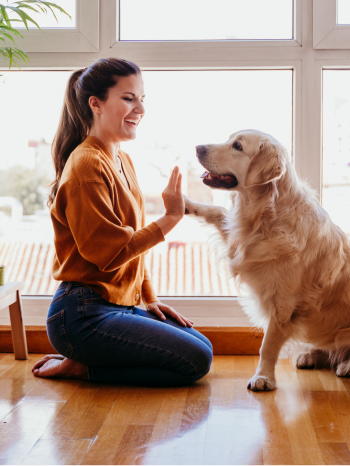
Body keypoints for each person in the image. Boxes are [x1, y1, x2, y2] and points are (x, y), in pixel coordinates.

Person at [31, 58, 213, 386]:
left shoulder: (121, 159)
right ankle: (82, 367)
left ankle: (85, 362)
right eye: (129, 98)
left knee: (202, 346)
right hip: (81, 314)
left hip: (118, 304)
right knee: (196, 361)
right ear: (96, 104)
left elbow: (131, 249)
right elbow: (110, 254)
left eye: (143, 99)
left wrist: (149, 297)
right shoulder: (86, 165)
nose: (140, 108)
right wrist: (171, 217)